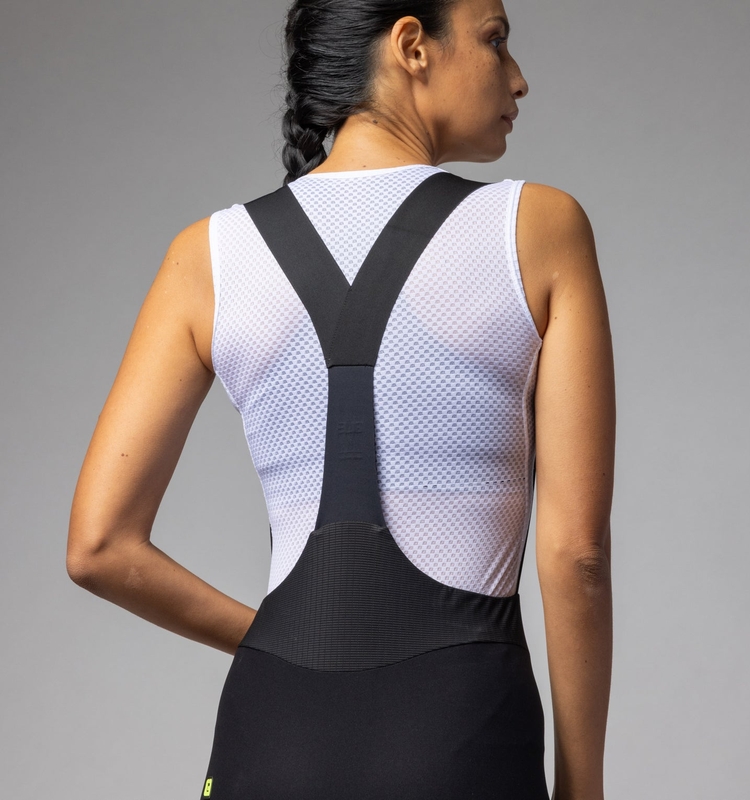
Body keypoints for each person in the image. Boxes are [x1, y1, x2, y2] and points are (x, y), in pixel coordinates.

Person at [67, 0, 614, 797]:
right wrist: (582, 786)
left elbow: (98, 547)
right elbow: (577, 555)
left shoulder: (205, 256)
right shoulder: (535, 228)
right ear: (411, 45)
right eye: (495, 40)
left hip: (271, 729)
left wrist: (283, 646)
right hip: (461, 728)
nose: (518, 78)